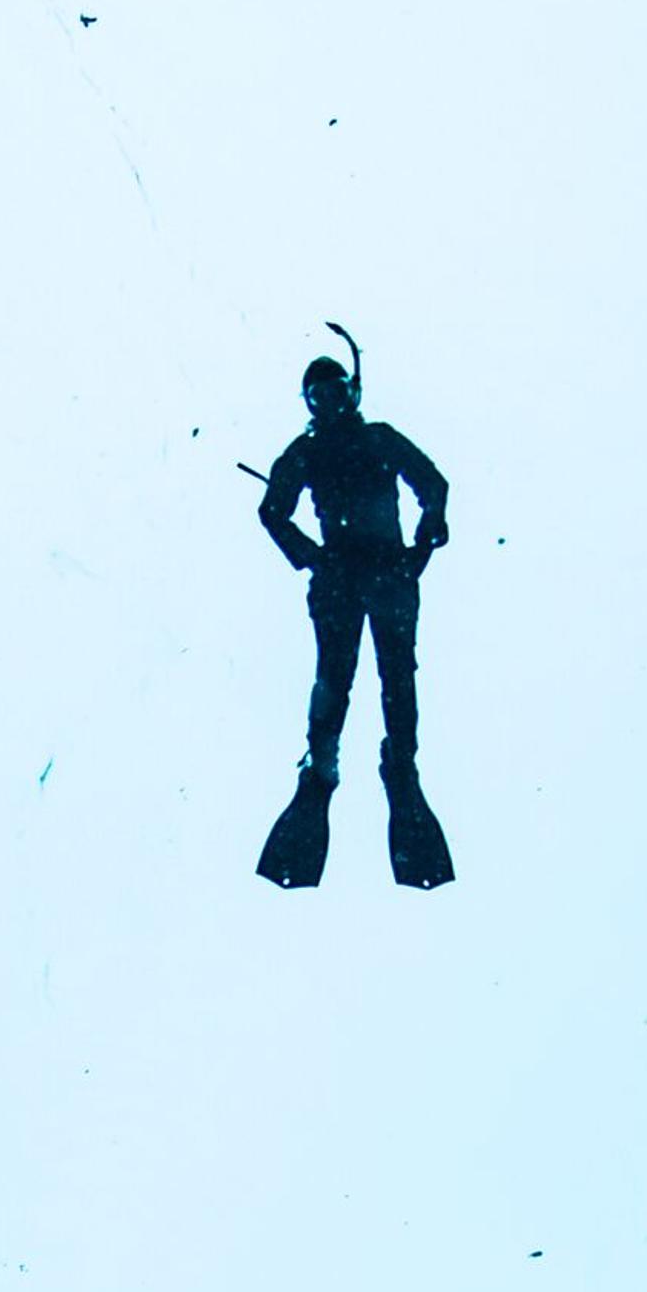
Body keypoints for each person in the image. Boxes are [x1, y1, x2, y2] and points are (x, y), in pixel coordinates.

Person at [253, 334, 454, 889]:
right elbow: (272, 510)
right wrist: (314, 557)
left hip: (378, 574)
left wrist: (426, 532)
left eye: (334, 390)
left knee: (390, 677)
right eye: (318, 395)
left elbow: (433, 485)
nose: (328, 403)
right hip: (359, 576)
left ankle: (390, 761)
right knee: (341, 678)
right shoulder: (311, 450)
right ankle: (332, 762)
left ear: (351, 391)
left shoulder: (372, 440)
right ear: (310, 402)